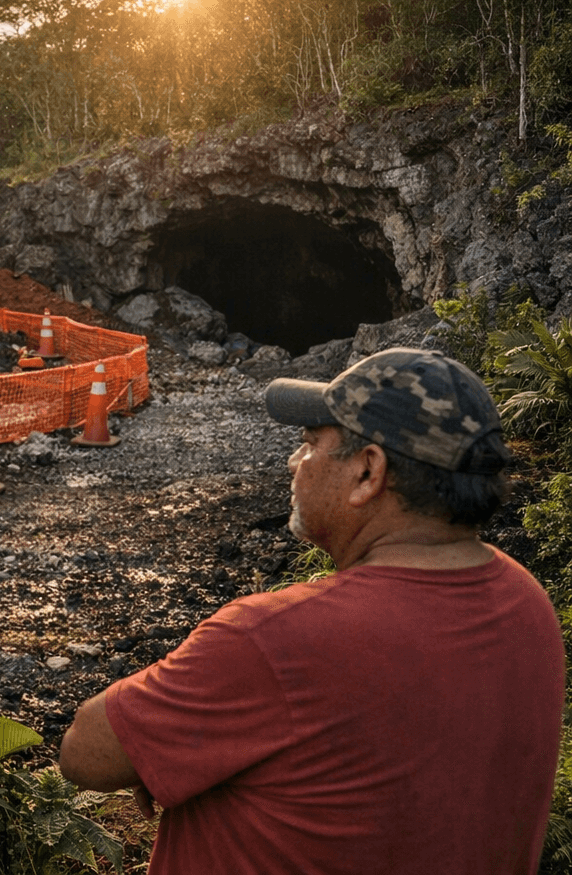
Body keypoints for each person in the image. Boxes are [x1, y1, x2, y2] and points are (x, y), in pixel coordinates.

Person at [58, 348, 564, 874]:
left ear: (369, 472)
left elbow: (84, 751)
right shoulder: (525, 602)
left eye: (309, 444)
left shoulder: (276, 639)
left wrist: (173, 751)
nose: (293, 462)